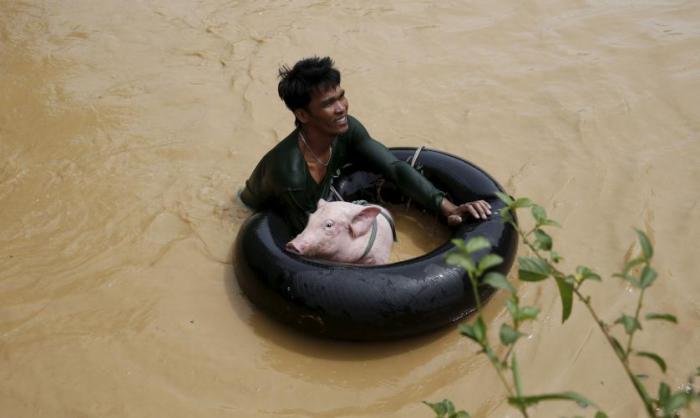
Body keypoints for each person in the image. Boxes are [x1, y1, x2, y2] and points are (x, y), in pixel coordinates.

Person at [239, 56, 491, 235]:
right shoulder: (291, 173)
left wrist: (448, 208)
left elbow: (393, 167)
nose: (341, 108)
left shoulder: (347, 130)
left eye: (341, 96)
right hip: (257, 211)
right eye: (329, 103)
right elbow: (307, 237)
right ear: (303, 115)